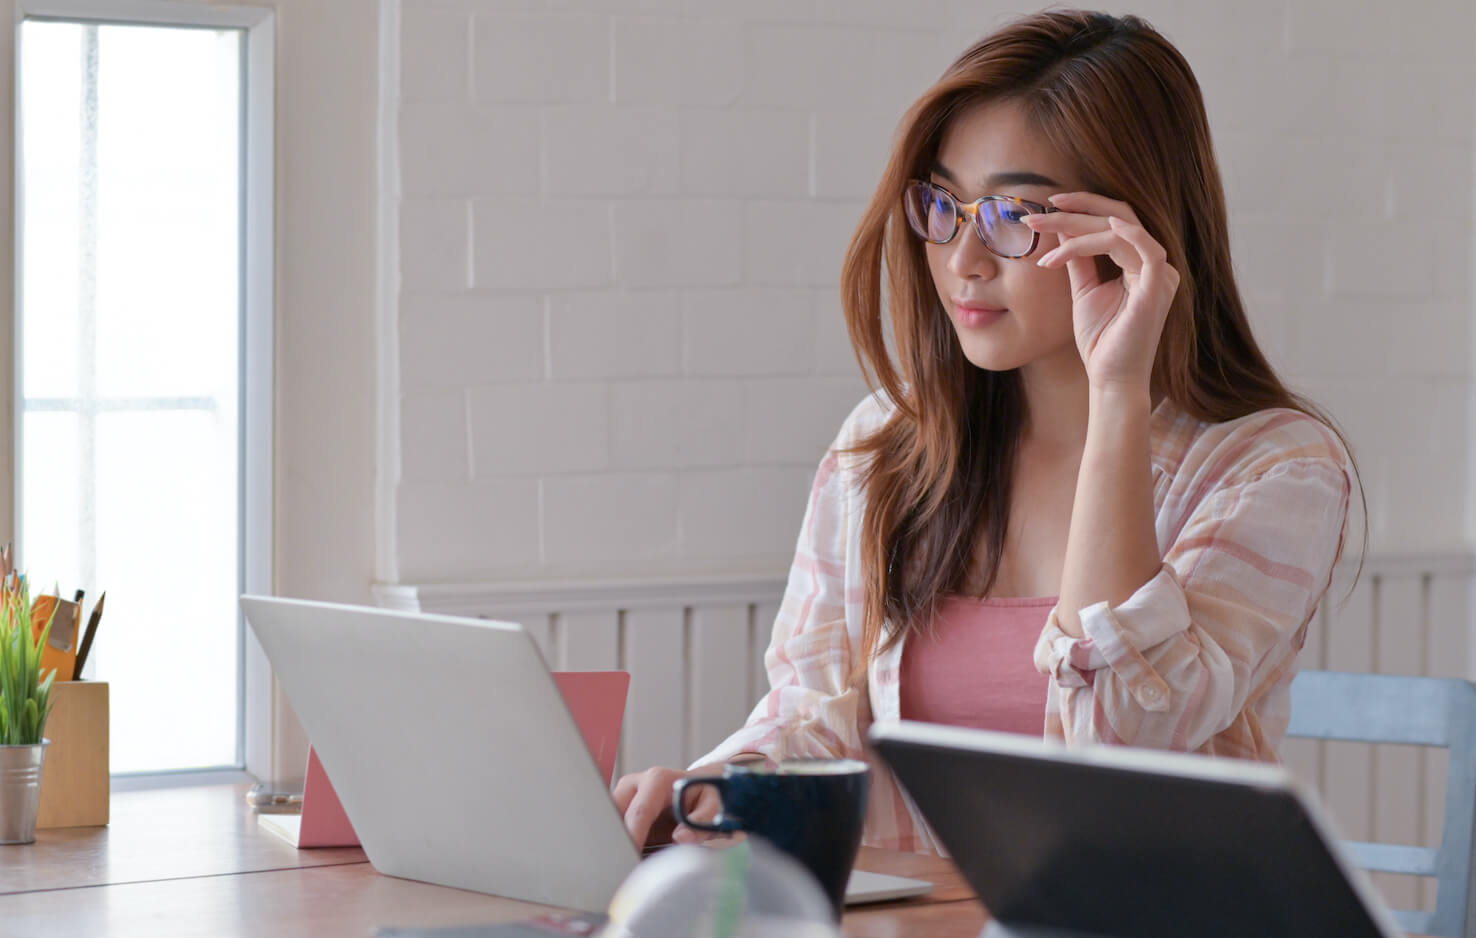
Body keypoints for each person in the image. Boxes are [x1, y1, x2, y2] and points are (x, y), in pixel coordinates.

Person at [614, 8, 1357, 855]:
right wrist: (711, 793)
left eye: (1012, 216)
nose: (963, 258)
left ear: (1130, 232)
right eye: (943, 204)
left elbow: (1122, 747)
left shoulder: (1271, 470)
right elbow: (810, 721)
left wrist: (1118, 393)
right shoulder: (886, 447)